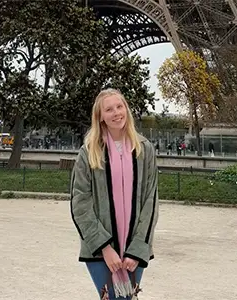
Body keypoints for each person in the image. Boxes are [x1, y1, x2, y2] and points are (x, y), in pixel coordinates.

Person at [70, 88, 159, 299]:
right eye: (109, 109)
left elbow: (150, 200)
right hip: (100, 247)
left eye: (119, 106)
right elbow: (80, 202)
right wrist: (105, 248)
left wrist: (137, 248)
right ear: (100, 116)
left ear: (126, 109)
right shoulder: (88, 152)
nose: (116, 113)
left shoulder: (145, 149)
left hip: (134, 246)